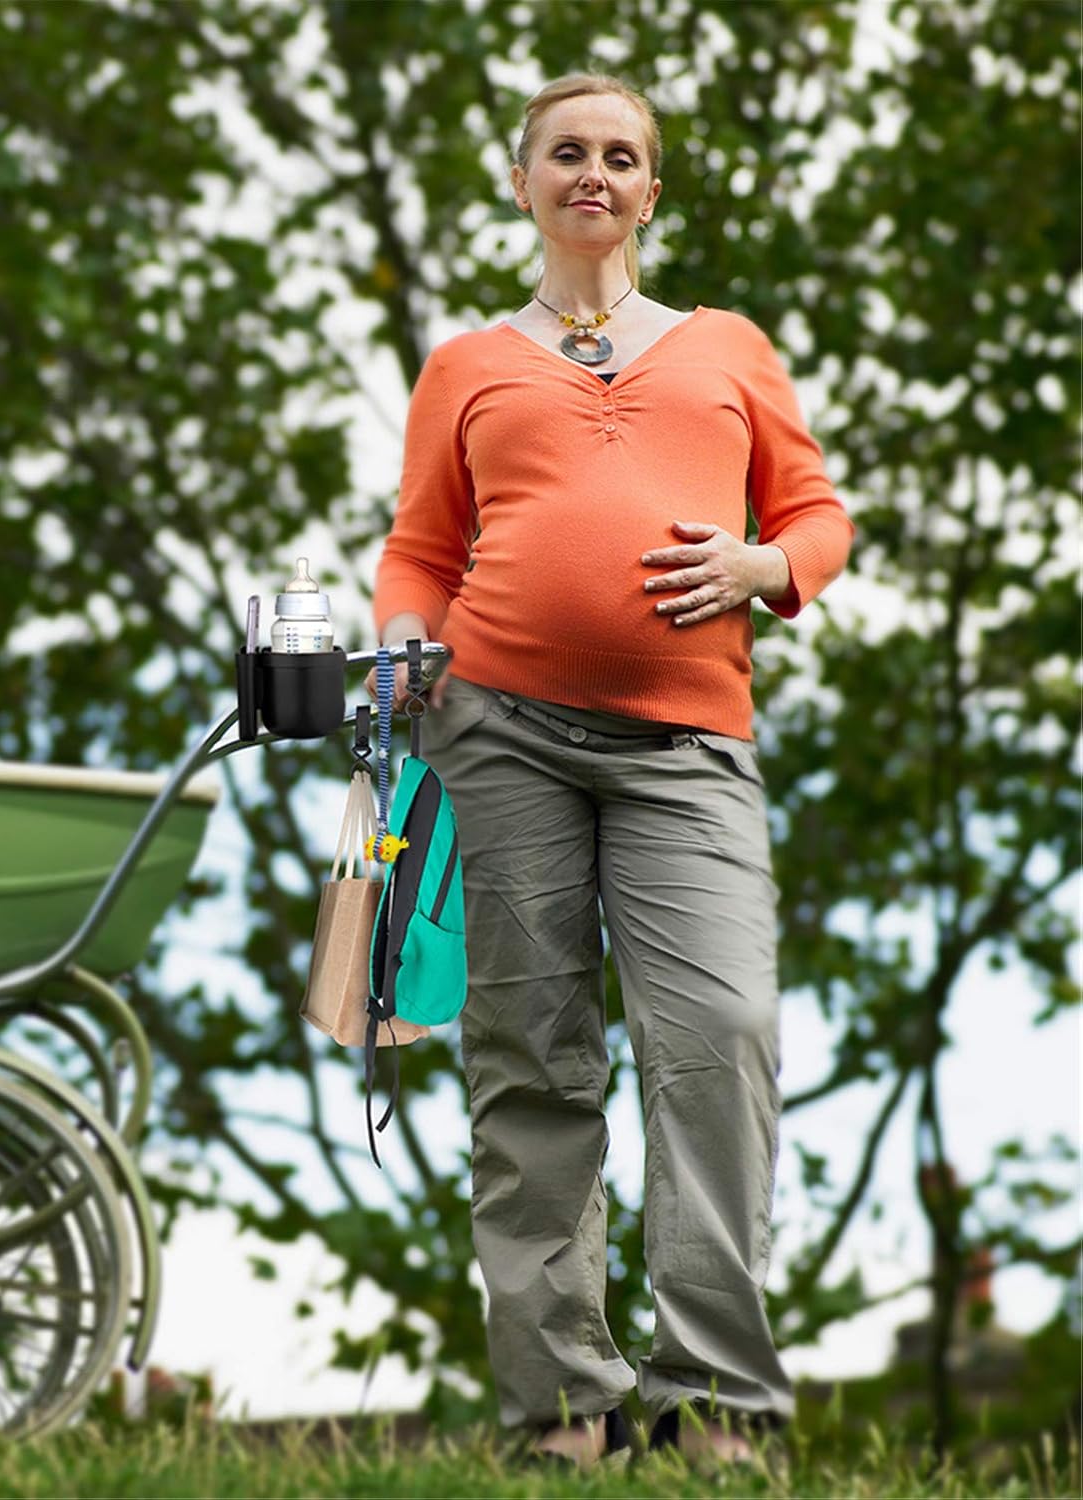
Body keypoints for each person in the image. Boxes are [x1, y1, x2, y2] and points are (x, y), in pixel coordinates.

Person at [365, 73, 854, 1468]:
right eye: (565, 152)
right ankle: (564, 1407)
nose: (593, 171)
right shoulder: (464, 365)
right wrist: (406, 642)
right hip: (498, 733)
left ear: (653, 193)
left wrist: (765, 566)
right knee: (530, 1060)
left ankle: (715, 1401)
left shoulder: (726, 348)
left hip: (689, 749)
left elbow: (817, 518)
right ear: (521, 184)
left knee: (720, 1045)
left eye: (621, 156)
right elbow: (419, 550)